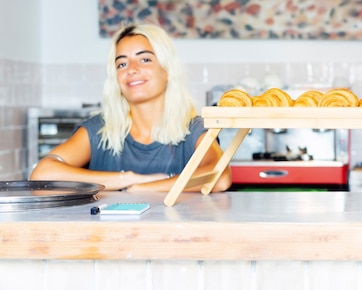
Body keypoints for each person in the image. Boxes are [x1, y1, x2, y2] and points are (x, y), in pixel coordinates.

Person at [30, 23, 231, 192]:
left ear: (167, 70)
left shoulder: (194, 129)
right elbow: (42, 175)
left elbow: (219, 177)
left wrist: (144, 188)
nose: (132, 70)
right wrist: (129, 179)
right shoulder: (98, 129)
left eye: (145, 59)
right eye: (122, 64)